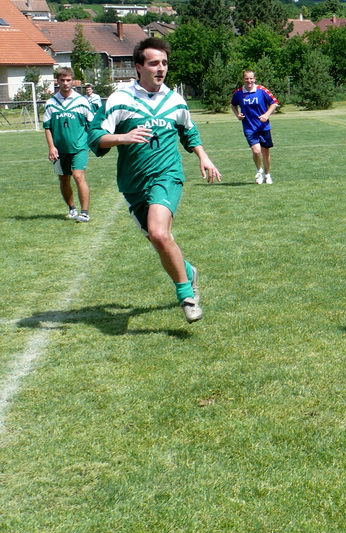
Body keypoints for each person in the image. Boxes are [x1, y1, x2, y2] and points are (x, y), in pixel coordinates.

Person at [88, 37, 221, 324]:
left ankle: (187, 296)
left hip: (167, 176)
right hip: (133, 183)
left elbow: (189, 131)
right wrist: (122, 137)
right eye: (153, 63)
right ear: (138, 67)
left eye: (164, 63)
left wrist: (203, 156)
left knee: (160, 234)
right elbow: (95, 137)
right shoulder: (120, 99)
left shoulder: (175, 100)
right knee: (158, 241)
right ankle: (188, 271)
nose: (161, 69)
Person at [42, 67, 93, 222]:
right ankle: (72, 208)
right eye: (62, 80)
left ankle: (85, 212)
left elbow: (91, 123)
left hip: (79, 147)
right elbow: (47, 127)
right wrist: (51, 147)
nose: (65, 83)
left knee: (78, 176)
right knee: (64, 179)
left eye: (68, 80)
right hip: (60, 150)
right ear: (57, 81)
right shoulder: (51, 103)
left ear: (73, 81)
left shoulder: (82, 101)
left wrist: (92, 143)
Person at [231, 70, 279, 184]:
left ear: (254, 79)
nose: (249, 81)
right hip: (249, 127)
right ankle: (259, 171)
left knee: (265, 152)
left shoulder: (262, 90)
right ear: (243, 79)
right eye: (247, 78)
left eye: (251, 78)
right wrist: (237, 115)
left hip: (263, 127)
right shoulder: (238, 93)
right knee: (256, 151)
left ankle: (267, 175)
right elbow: (233, 105)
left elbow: (274, 103)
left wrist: (266, 115)